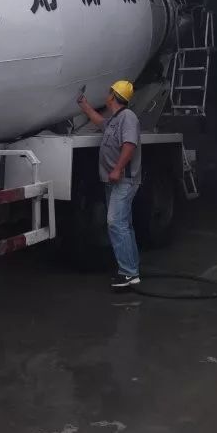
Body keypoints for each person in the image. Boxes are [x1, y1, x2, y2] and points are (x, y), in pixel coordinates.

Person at [77, 80, 142, 290]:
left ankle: (128, 273)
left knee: (115, 223)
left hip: (123, 180)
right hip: (113, 181)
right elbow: (100, 122)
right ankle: (131, 270)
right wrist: (84, 105)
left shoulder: (128, 117)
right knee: (124, 225)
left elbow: (129, 145)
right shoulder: (115, 119)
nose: (107, 95)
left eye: (109, 92)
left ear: (114, 96)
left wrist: (117, 169)